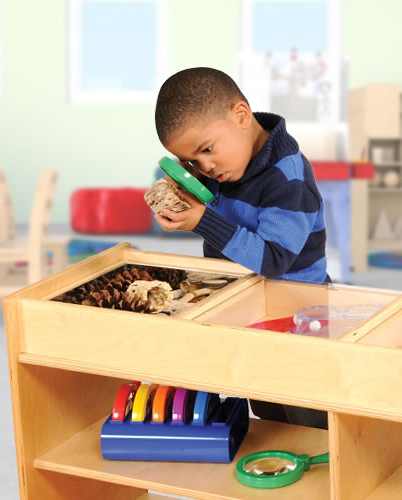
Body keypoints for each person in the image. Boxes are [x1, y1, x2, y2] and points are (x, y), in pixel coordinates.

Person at [154, 67, 330, 429]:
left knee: (307, 413)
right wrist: (181, 200)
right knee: (268, 408)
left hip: (298, 316)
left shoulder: (288, 180)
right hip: (253, 312)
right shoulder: (228, 166)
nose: (206, 167)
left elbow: (273, 259)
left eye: (207, 150)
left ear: (241, 115)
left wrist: (202, 221)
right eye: (192, 161)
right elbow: (227, 228)